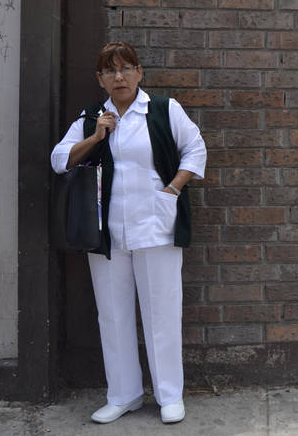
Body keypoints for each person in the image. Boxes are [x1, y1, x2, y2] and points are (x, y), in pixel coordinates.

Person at [50, 41, 206, 425]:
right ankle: (123, 394)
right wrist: (95, 138)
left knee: (162, 314)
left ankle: (169, 395)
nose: (118, 77)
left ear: (139, 73)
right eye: (110, 71)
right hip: (107, 233)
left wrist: (172, 190)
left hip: (156, 227)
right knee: (112, 315)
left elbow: (195, 149)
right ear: (100, 79)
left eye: (125, 68)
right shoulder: (92, 117)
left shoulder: (163, 110)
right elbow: (59, 160)